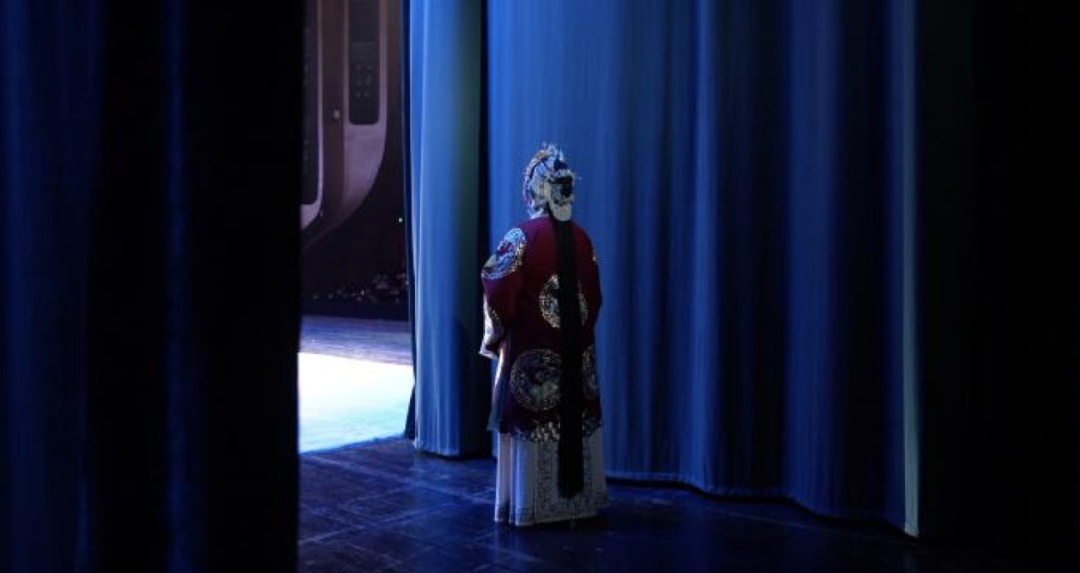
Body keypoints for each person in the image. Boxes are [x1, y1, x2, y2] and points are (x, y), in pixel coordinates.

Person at [479, 143, 607, 527]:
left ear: (533, 190)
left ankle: (529, 508)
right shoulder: (583, 240)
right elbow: (595, 300)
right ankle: (577, 506)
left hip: (531, 361)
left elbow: (496, 291)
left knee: (533, 420)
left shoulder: (520, 237)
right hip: (576, 359)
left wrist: (497, 334)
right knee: (574, 419)